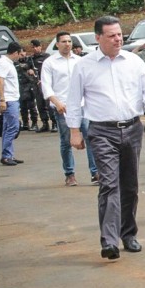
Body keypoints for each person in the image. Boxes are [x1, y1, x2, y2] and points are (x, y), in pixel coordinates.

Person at [67, 16, 145, 260]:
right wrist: (74, 131)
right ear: (98, 38)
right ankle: (109, 241)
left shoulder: (133, 61)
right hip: (101, 131)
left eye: (119, 34)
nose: (118, 39)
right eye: (111, 35)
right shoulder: (84, 66)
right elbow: (73, 100)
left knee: (130, 185)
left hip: (132, 129)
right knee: (109, 184)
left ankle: (128, 234)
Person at [40, 31, 99, 186]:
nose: (67, 44)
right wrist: (57, 102)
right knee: (67, 141)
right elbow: (46, 86)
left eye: (69, 41)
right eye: (64, 41)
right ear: (57, 44)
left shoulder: (79, 61)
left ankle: (95, 173)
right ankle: (70, 174)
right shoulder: (50, 63)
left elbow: (88, 83)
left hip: (81, 106)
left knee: (90, 137)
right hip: (63, 107)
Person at [0, 42, 24, 166]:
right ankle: (6, 155)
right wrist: (2, 100)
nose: (21, 56)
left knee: (8, 128)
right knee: (13, 127)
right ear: (15, 52)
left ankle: (8, 154)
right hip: (8, 100)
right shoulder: (3, 64)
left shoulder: (8, 63)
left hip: (11, 99)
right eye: (20, 53)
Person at [29, 39, 54, 132]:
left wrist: (43, 80)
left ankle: (54, 123)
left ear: (40, 47)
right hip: (36, 84)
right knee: (40, 104)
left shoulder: (46, 57)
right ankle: (45, 123)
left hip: (46, 83)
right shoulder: (30, 59)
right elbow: (26, 70)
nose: (35, 49)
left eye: (36, 47)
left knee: (49, 104)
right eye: (33, 47)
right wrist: (29, 71)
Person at [17, 48, 38, 131]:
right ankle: (25, 123)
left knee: (31, 106)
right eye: (20, 52)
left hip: (29, 85)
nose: (22, 54)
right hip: (20, 85)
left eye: (23, 52)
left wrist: (32, 71)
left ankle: (35, 123)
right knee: (23, 107)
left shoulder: (30, 60)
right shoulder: (15, 62)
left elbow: (34, 70)